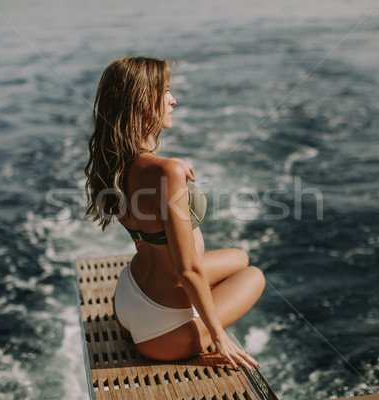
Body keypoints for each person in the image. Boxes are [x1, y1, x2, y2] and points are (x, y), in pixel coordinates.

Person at [84, 56, 265, 371]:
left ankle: (186, 307)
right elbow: (187, 271)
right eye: (164, 91)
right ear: (143, 103)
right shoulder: (166, 171)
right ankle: (195, 317)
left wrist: (176, 166)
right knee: (254, 276)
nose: (173, 99)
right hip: (160, 332)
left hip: (128, 297)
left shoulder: (116, 162)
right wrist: (218, 336)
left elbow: (152, 177)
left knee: (239, 257)